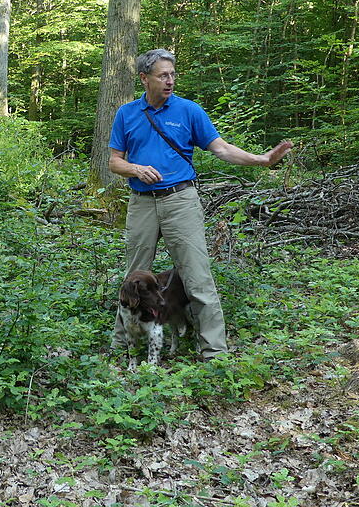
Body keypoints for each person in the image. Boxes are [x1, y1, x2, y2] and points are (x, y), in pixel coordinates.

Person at [108, 49, 293, 360]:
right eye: (162, 75)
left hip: (181, 200)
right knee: (133, 278)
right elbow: (114, 162)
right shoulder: (127, 114)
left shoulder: (189, 111)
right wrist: (136, 169)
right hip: (141, 202)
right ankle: (120, 348)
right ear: (144, 78)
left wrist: (260, 160)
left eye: (172, 74)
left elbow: (220, 149)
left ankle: (214, 353)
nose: (170, 81)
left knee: (197, 277)